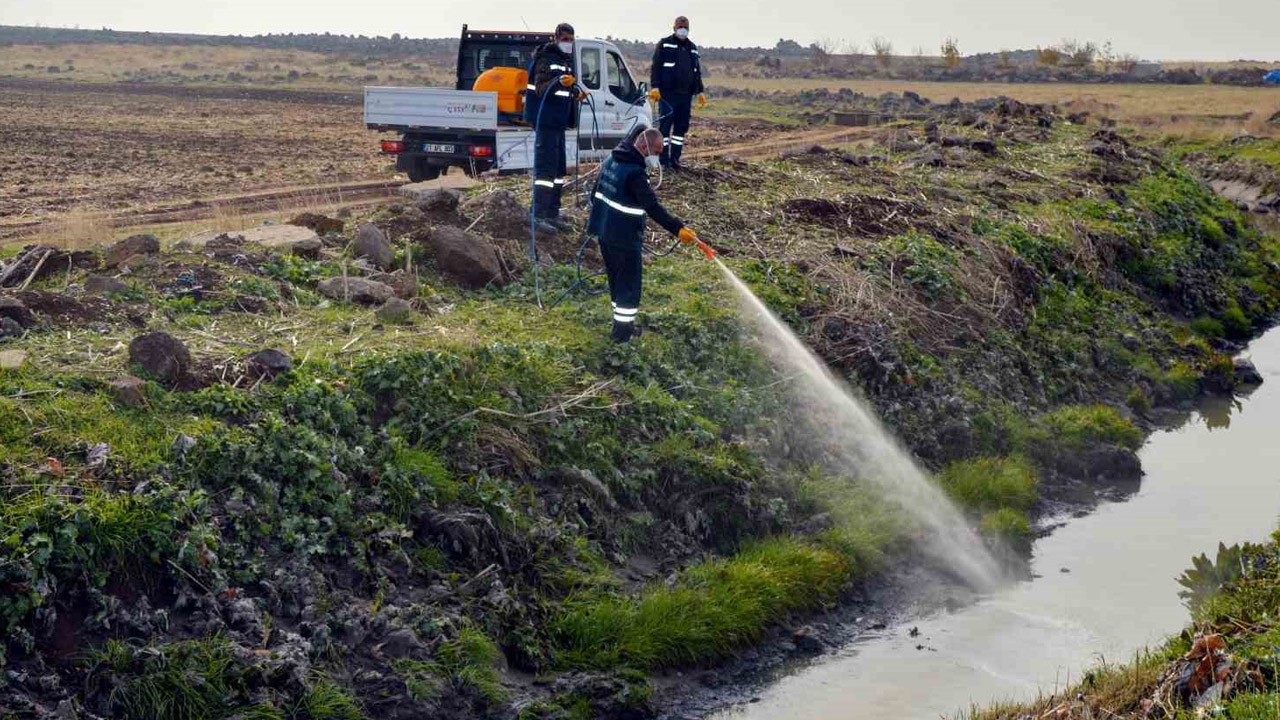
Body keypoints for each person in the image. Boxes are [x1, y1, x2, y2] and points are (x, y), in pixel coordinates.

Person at [587, 126, 715, 343]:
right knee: (629, 286)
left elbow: (594, 195)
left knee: (617, 281)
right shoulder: (635, 173)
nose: (656, 157)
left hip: (604, 232)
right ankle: (621, 338)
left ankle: (623, 325)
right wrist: (678, 229)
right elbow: (652, 207)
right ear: (644, 146)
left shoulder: (612, 160)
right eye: (655, 152)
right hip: (624, 238)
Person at [527, 22, 583, 234]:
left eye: (571, 39)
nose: (568, 43)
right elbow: (541, 88)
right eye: (565, 39)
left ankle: (552, 214)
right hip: (546, 123)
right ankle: (538, 215)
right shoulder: (546, 59)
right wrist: (560, 81)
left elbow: (564, 90)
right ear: (557, 38)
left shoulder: (565, 60)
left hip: (559, 124)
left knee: (559, 171)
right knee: (546, 171)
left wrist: (576, 92)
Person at [648, 16, 707, 170]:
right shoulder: (665, 43)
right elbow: (656, 67)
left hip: (685, 96)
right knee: (665, 128)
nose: (683, 30)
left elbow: (696, 72)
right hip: (668, 94)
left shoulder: (692, 48)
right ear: (674, 28)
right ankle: (663, 161)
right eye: (680, 27)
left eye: (685, 27)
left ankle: (675, 160)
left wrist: (699, 91)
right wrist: (655, 86)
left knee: (680, 129)